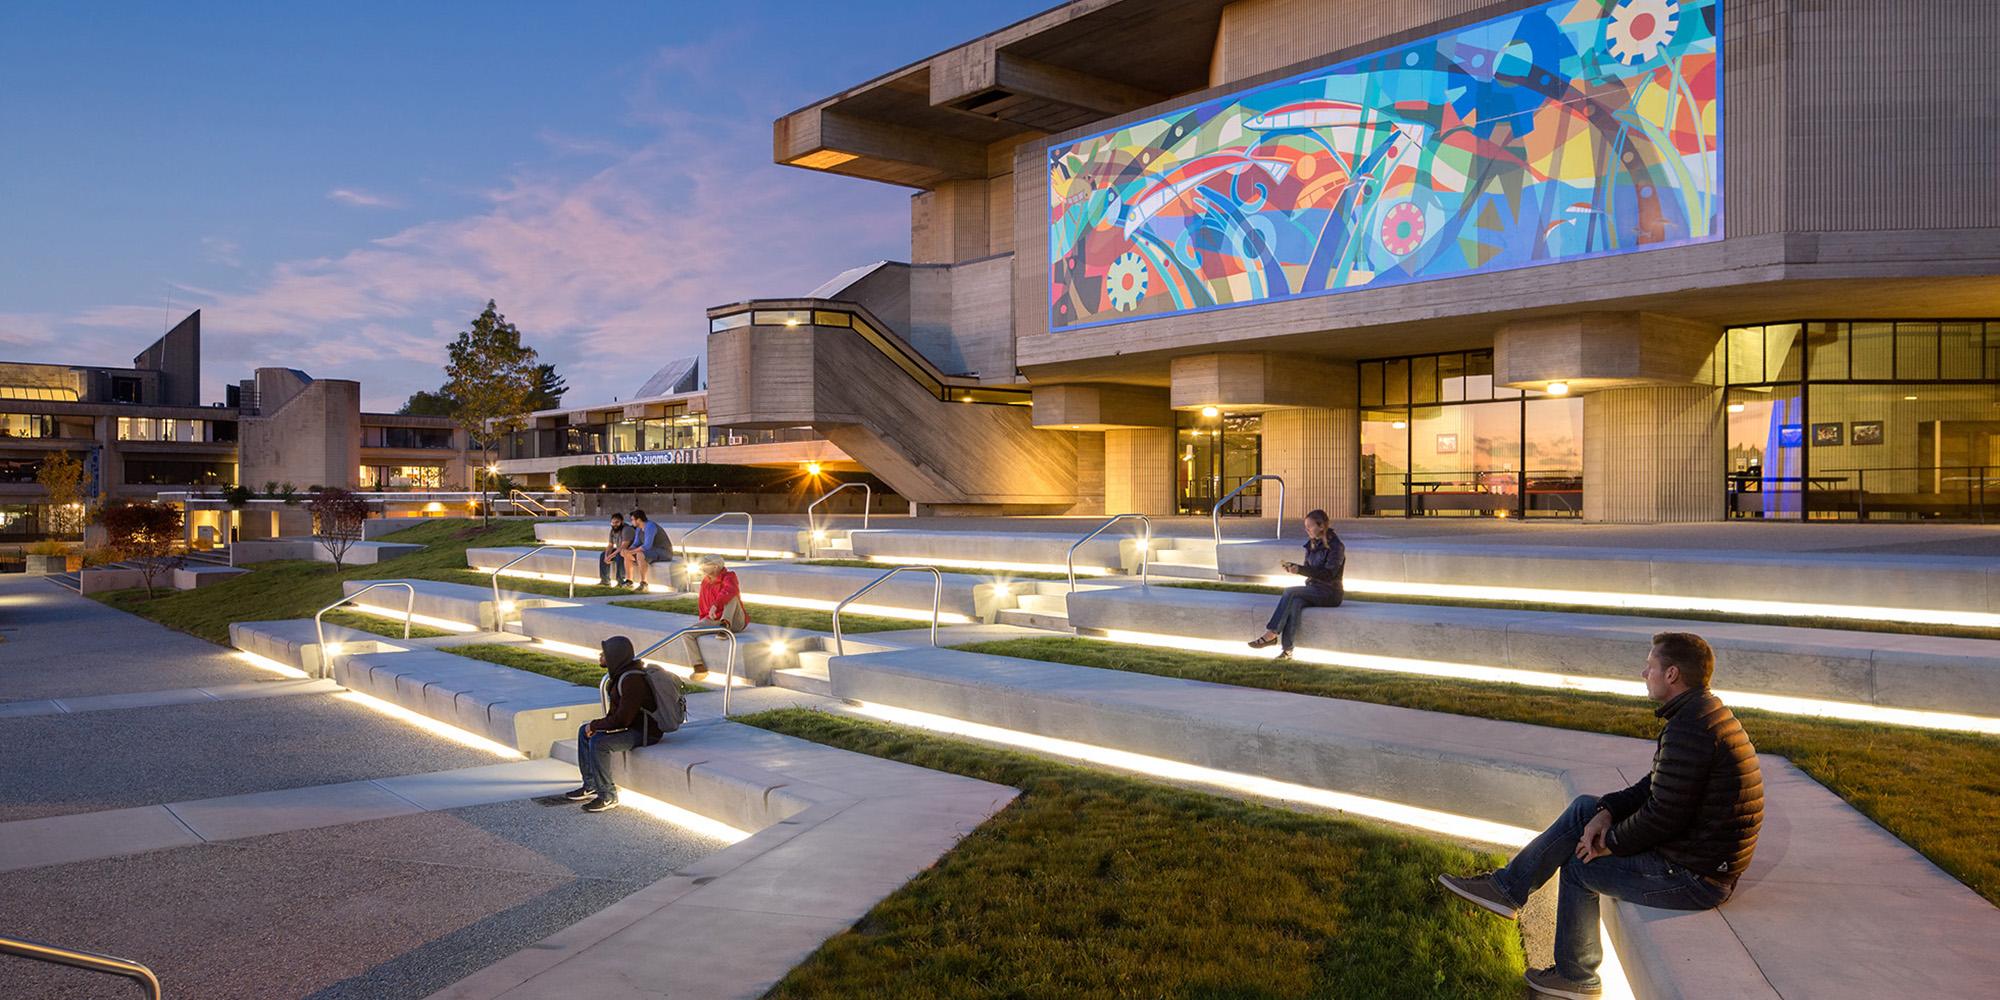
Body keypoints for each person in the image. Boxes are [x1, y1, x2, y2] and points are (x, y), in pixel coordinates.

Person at [1438, 632, 1764, 999]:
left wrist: (1609, 842)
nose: (1644, 673)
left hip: (1696, 877)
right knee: (1586, 807)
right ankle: (1506, 889)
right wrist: (1607, 810)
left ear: (1671, 674)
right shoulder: (1699, 714)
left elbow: (1663, 817)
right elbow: (1652, 787)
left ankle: (1576, 978)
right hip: (1691, 856)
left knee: (1580, 868)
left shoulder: (1691, 728)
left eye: (1650, 666)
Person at [564, 635, 660, 813]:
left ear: (616, 655)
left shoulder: (632, 680)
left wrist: (595, 726)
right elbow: (618, 716)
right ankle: (591, 785)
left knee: (599, 743)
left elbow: (623, 719)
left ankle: (608, 796)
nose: (600, 655)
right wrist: (594, 727)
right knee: (583, 732)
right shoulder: (620, 675)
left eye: (604, 653)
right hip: (631, 726)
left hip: (646, 732)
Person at [1246, 509, 1343, 660]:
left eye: (1310, 526)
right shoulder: (1311, 545)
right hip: (1314, 589)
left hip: (1330, 593)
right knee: (1295, 603)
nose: (1307, 530)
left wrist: (1300, 570)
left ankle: (1272, 633)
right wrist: (1295, 568)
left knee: (1290, 592)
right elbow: (1310, 569)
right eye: (1306, 527)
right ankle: (1287, 651)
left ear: (1321, 526)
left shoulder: (1336, 547)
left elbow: (1329, 574)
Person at [683, 553, 749, 678]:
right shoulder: (705, 582)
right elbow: (702, 603)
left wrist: (715, 605)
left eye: (706, 565)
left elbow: (729, 590)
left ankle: (725, 626)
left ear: (716, 566)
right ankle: (699, 668)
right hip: (714, 620)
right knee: (686, 634)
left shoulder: (729, 576)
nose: (702, 568)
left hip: (734, 620)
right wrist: (704, 620)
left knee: (732, 596)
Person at [619, 509, 674, 592]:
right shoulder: (638, 529)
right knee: (627, 554)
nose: (631, 522)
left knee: (640, 554)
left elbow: (647, 546)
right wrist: (627, 550)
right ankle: (629, 581)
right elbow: (636, 543)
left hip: (664, 552)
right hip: (651, 551)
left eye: (632, 519)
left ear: (639, 520)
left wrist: (631, 552)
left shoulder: (650, 526)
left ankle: (644, 583)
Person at [597, 512, 631, 588]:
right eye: (612, 522)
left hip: (628, 551)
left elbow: (623, 546)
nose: (614, 524)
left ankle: (621, 581)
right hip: (619, 550)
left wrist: (611, 555)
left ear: (622, 522)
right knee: (603, 555)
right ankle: (605, 581)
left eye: (617, 522)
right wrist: (606, 556)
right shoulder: (613, 530)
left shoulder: (627, 529)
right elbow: (610, 545)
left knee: (620, 554)